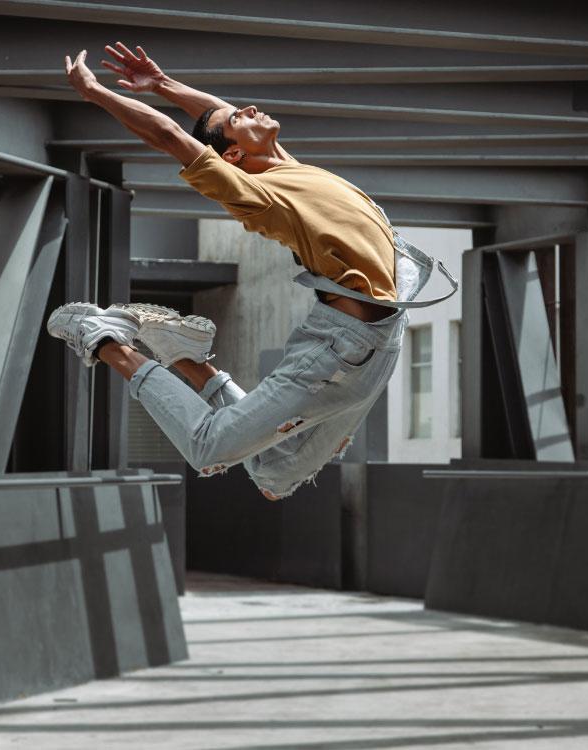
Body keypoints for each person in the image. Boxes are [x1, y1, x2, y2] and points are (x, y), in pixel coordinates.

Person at [48, 43, 457, 499]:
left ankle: (185, 358)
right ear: (235, 158)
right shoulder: (258, 195)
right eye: (238, 120)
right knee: (209, 448)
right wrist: (95, 92)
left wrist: (162, 84)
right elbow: (169, 136)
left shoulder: (290, 167)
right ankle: (104, 338)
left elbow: (217, 116)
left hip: (380, 340)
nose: (245, 109)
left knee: (275, 476)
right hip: (343, 350)